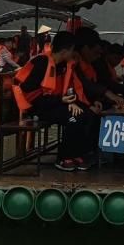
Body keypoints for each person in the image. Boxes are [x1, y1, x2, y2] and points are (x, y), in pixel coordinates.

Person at [13, 30, 97, 171]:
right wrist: (61, 100)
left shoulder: (64, 65)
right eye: (72, 50)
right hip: (39, 107)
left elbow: (68, 88)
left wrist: (71, 102)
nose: (73, 54)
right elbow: (29, 93)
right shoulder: (41, 63)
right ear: (65, 51)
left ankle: (78, 153)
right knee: (74, 118)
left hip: (58, 103)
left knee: (87, 113)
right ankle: (63, 157)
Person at [72, 28, 124, 111]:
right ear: (86, 48)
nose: (98, 57)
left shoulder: (89, 62)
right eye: (96, 53)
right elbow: (84, 83)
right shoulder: (73, 64)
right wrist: (107, 93)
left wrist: (95, 101)